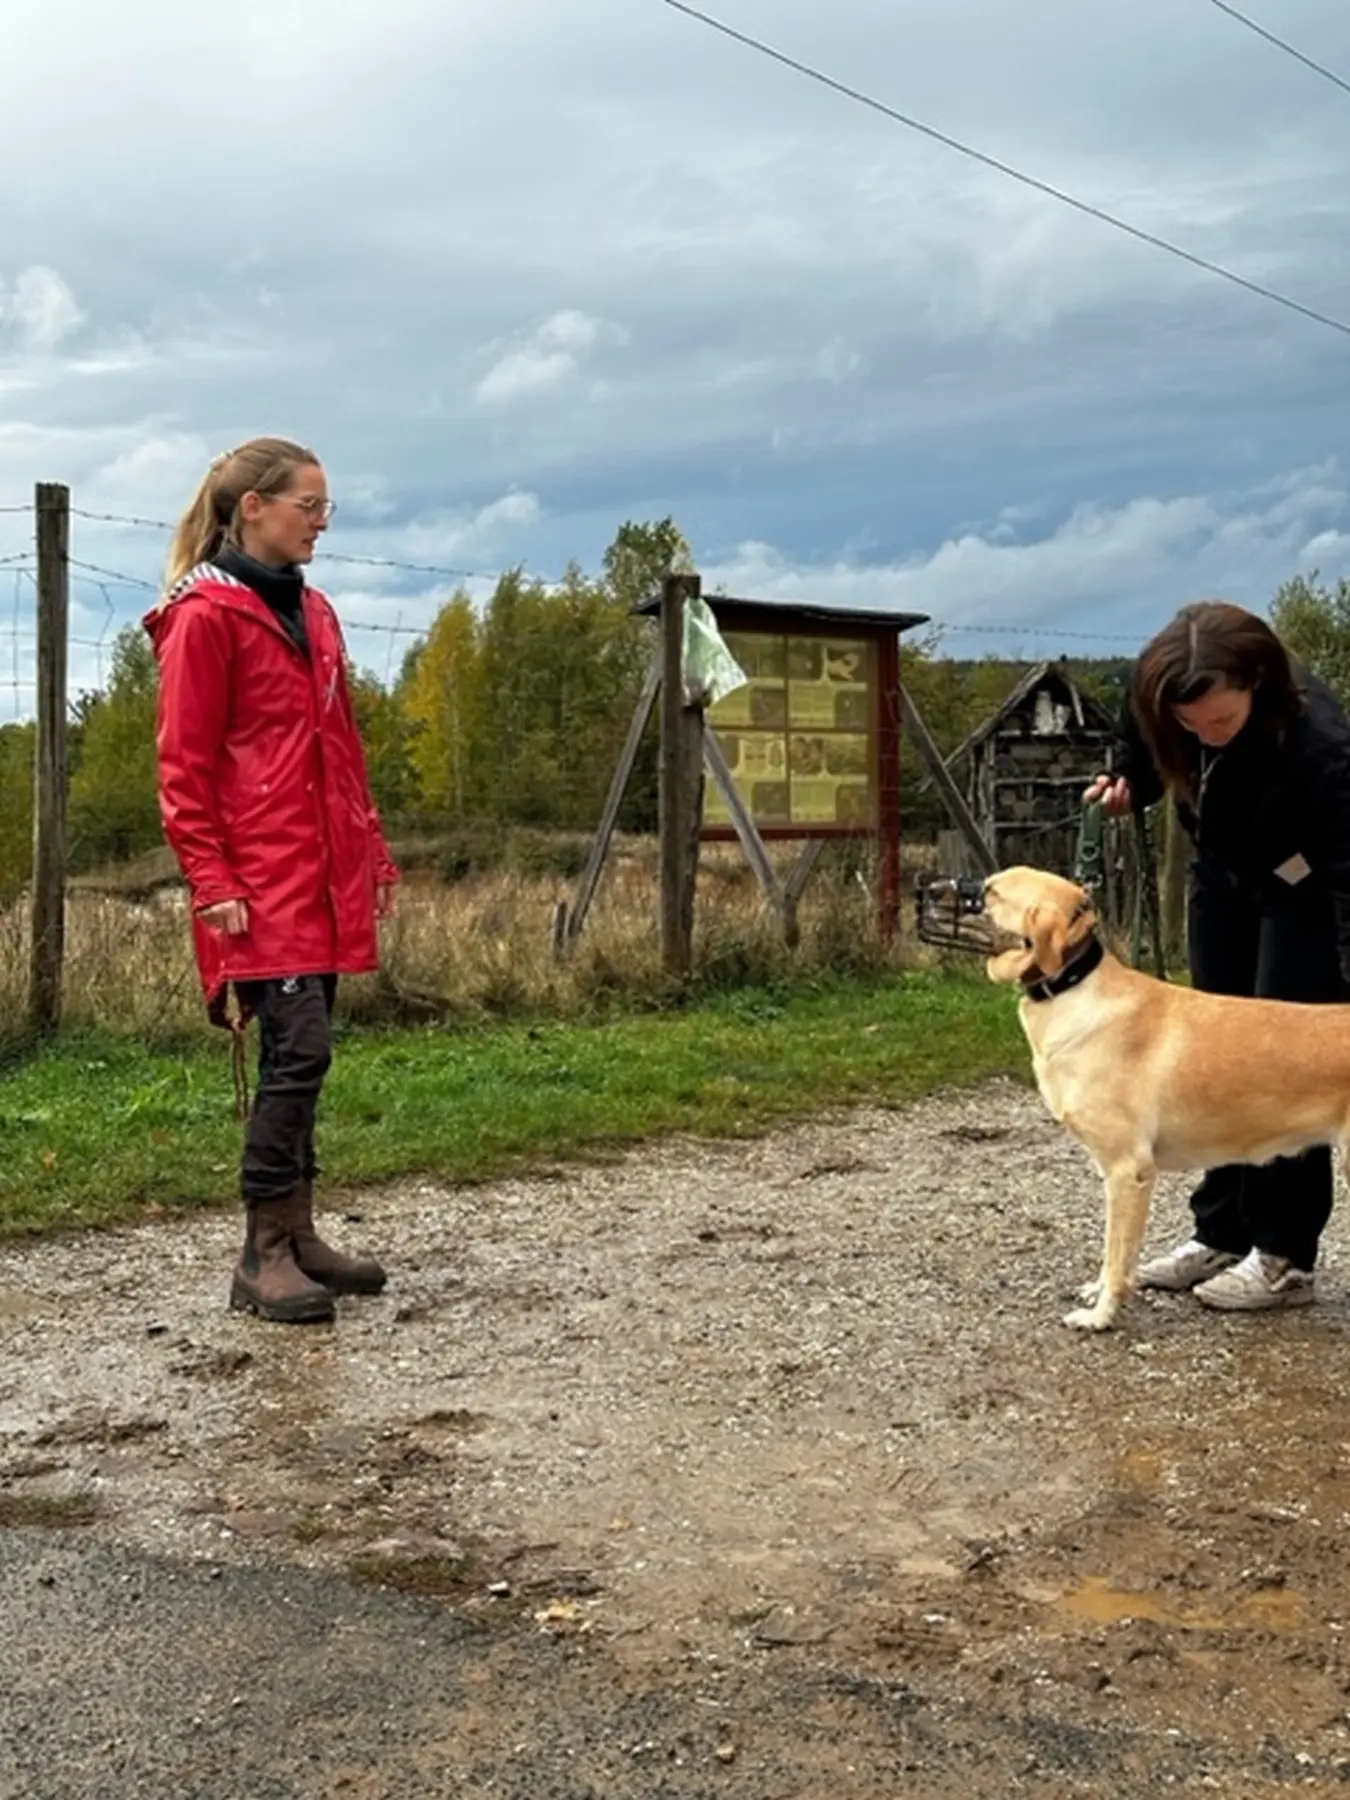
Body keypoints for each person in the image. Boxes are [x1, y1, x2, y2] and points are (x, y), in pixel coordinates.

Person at [144, 437, 400, 1326]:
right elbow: (184, 767)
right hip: (254, 880)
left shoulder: (318, 612)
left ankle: (300, 1231)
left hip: (322, 871)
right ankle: (264, 1252)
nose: (322, 523)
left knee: (308, 1049)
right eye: (310, 506)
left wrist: (373, 850)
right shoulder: (204, 618)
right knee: (302, 1049)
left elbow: (342, 748)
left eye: (328, 509)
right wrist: (210, 878)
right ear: (253, 505)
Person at [1085, 599, 1350, 1312]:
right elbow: (1136, 738)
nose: (1206, 738)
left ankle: (1286, 1256)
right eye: (1190, 728)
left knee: (1283, 1064)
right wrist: (1128, 779)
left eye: (1222, 724)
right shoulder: (1164, 691)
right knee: (1212, 1059)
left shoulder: (1322, 744)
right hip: (1220, 879)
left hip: (1303, 890)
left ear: (1256, 686)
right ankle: (1222, 1232)